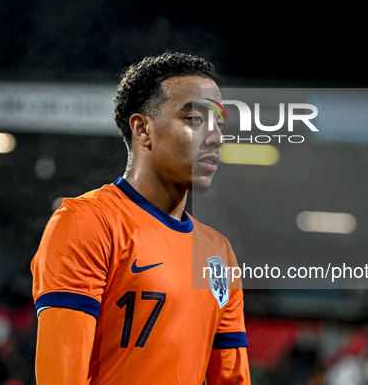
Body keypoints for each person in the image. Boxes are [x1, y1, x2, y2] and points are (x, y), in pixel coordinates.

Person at [31, 52, 250, 384]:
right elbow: (60, 377)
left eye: (219, 123)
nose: (216, 137)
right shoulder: (86, 223)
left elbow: (233, 379)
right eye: (194, 120)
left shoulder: (219, 253)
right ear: (142, 129)